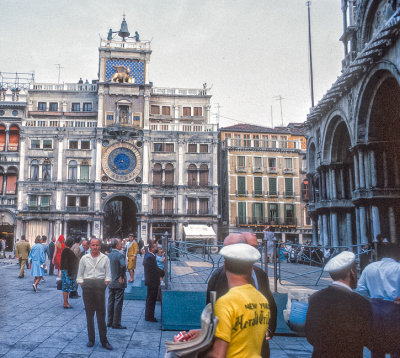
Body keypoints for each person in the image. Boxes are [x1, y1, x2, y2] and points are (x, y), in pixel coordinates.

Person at [207, 232, 277, 358]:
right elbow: (211, 315)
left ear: (225, 264)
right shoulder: (260, 299)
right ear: (249, 268)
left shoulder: (225, 302)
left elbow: (219, 354)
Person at [305, 251, 372, 357]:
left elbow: (310, 335)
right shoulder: (361, 303)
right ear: (351, 272)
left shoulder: (315, 298)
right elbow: (368, 339)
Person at [356, 244, 400, 358]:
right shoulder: (398, 268)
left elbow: (360, 290)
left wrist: (372, 299)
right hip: (396, 312)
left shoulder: (369, 268)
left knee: (376, 348)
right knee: (396, 348)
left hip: (375, 311)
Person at [77, 238, 112, 350]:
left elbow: (108, 274)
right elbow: (79, 274)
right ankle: (91, 339)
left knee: (101, 315)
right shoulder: (84, 258)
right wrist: (82, 284)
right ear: (89, 246)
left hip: (100, 286)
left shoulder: (105, 258)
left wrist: (105, 283)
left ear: (100, 246)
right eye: (93, 245)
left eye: (97, 245)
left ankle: (104, 340)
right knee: (89, 314)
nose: (95, 247)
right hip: (87, 287)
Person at [107, 238, 127, 329]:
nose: (121, 244)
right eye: (120, 243)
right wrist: (121, 276)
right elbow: (123, 265)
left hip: (111, 281)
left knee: (111, 301)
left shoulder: (109, 255)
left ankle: (109, 321)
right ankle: (116, 323)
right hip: (118, 282)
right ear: (116, 245)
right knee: (118, 302)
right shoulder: (120, 255)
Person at [143, 241, 163, 322]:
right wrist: (162, 273)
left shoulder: (149, 255)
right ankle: (149, 316)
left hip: (151, 281)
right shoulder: (150, 257)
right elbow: (154, 269)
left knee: (150, 299)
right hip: (152, 281)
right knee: (151, 299)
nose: (157, 248)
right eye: (155, 247)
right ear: (152, 248)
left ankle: (149, 315)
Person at [60, 238, 79, 308]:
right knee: (66, 287)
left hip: (65, 271)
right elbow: (69, 262)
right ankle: (65, 303)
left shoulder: (65, 250)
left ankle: (66, 302)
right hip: (67, 271)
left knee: (65, 287)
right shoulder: (68, 251)